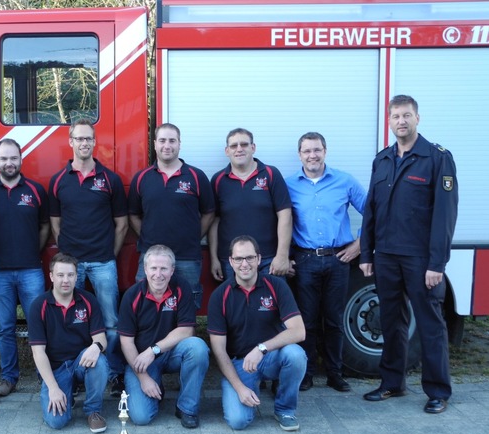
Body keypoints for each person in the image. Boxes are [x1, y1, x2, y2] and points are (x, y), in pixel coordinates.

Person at [360, 95, 459, 414]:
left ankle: (438, 391)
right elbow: (370, 210)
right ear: (389, 122)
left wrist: (437, 264)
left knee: (430, 325)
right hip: (386, 255)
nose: (401, 121)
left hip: (420, 259)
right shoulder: (382, 159)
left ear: (418, 118)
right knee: (391, 322)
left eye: (407, 115)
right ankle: (392, 383)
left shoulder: (436, 158)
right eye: (395, 117)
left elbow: (445, 215)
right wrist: (366, 253)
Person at [49, 119, 128, 397]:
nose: (84, 143)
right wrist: (68, 258)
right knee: (74, 320)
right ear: (70, 142)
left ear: (95, 143)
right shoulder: (58, 181)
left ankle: (117, 374)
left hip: (103, 263)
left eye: (88, 139)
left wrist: (110, 255)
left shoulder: (110, 180)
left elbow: (122, 224)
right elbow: (56, 224)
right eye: (78, 139)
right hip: (73, 266)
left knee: (111, 322)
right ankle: (79, 373)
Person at [285, 132, 367, 392]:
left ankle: (335, 373)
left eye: (317, 150)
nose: (312, 155)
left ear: (325, 151)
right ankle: (306, 374)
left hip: (338, 260)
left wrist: (360, 244)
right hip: (305, 260)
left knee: (334, 320)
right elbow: (279, 221)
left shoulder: (344, 181)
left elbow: (375, 213)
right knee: (306, 320)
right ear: (299, 154)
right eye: (307, 151)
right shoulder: (289, 185)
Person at [208, 235, 306, 432]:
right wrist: (239, 387)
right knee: (238, 421)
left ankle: (285, 409)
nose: (244, 264)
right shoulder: (220, 296)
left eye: (250, 258)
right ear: (231, 261)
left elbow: (298, 331)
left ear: (259, 259)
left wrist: (262, 348)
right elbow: (219, 351)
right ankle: (242, 387)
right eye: (238, 259)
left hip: (270, 357)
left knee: (295, 355)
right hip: (239, 364)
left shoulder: (276, 285)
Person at [0, 138, 49, 397]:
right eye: (4, 158)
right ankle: (9, 378)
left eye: (13, 158)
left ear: (21, 160)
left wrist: (34, 250)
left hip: (31, 269)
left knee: (38, 326)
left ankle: (46, 377)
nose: (9, 163)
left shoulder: (35, 190)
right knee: (4, 328)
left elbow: (44, 227)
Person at [118, 244, 210, 429]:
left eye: (163, 269)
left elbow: (186, 330)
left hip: (170, 352)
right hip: (141, 360)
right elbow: (126, 341)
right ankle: (154, 382)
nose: (158, 274)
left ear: (172, 270)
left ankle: (187, 408)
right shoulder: (131, 296)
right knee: (141, 417)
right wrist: (143, 378)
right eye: (153, 268)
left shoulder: (181, 287)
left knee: (198, 347)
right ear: (145, 269)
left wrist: (154, 350)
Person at [128, 123, 215, 309]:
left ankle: (187, 339)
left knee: (188, 306)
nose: (167, 145)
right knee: (144, 306)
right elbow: (133, 214)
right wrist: (146, 234)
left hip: (187, 256)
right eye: (162, 140)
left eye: (172, 140)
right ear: (155, 144)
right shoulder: (141, 178)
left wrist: (194, 235)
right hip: (149, 255)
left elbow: (209, 212)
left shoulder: (196, 176)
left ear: (179, 144)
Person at [27, 252, 109, 433]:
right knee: (56, 422)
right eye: (60, 275)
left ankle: (93, 411)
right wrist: (53, 389)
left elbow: (101, 338)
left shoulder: (88, 300)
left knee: (100, 362)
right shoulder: (38, 306)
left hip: (81, 362)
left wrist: (96, 347)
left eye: (70, 275)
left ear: (76, 276)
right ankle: (65, 393)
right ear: (51, 276)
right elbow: (38, 352)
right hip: (56, 368)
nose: (66, 280)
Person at [210, 128, 292, 280]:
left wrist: (282, 255)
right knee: (234, 304)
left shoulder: (271, 174)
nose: (239, 149)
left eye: (244, 144)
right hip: (231, 262)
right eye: (234, 146)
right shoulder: (218, 180)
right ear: (227, 151)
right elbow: (214, 221)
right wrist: (214, 258)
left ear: (253, 148)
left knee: (271, 304)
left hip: (269, 260)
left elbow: (285, 215)